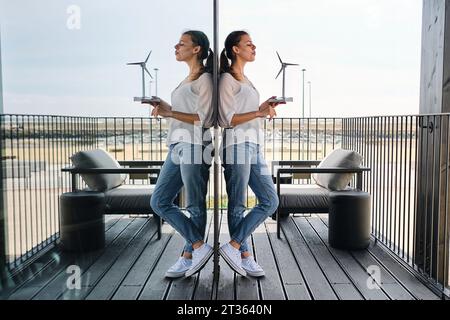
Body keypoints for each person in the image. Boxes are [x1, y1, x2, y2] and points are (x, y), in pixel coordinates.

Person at [148, 30, 214, 278]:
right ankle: (198, 246)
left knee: (194, 206)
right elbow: (185, 112)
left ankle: (188, 256)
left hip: (196, 144)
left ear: (196, 49)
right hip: (177, 144)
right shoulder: (187, 78)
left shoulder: (204, 80)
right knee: (160, 201)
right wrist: (167, 108)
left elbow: (205, 118)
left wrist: (171, 113)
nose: (176, 47)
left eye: (182, 43)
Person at [218, 31, 283, 277]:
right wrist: (257, 113)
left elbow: (245, 113)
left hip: (253, 146)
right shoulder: (227, 79)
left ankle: (233, 246)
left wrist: (262, 108)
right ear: (235, 49)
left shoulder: (246, 79)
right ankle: (244, 255)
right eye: (248, 44)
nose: (254, 47)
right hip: (236, 145)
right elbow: (226, 119)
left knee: (270, 200)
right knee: (237, 205)